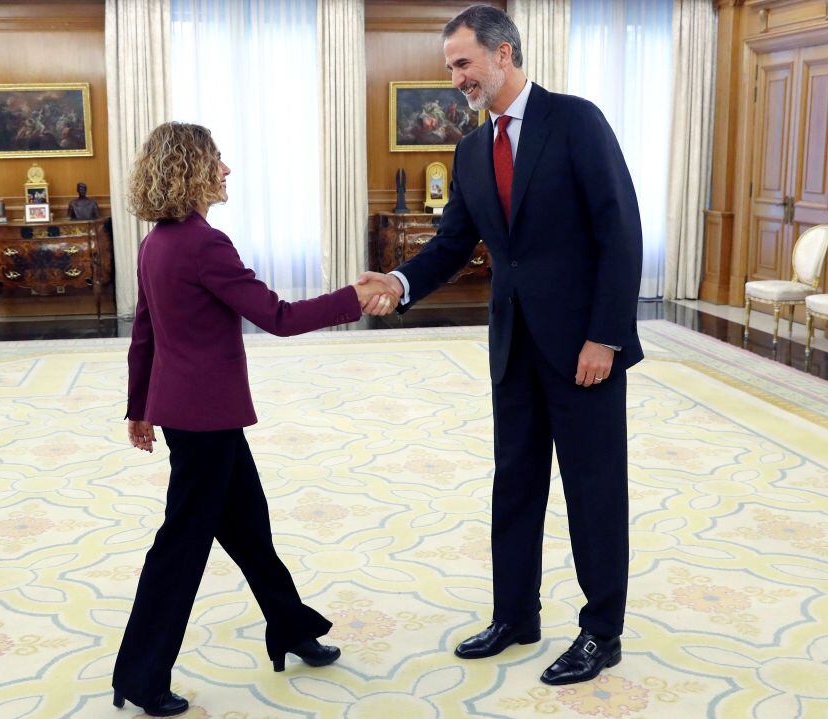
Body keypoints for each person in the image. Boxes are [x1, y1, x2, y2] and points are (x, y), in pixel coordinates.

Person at [360, 4, 643, 686]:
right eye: (450, 65)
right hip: (513, 345)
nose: (456, 77)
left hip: (583, 350)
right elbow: (456, 241)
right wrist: (399, 280)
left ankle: (602, 631)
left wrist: (605, 335)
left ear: (504, 54)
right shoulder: (470, 150)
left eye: (463, 62)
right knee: (514, 485)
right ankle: (516, 613)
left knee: (592, 490)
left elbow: (621, 232)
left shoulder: (575, 122)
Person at [112, 121, 398, 717]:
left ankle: (289, 627)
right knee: (180, 547)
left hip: (190, 416)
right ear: (190, 168)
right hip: (205, 420)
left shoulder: (156, 243)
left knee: (248, 528)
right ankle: (140, 674)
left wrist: (140, 406)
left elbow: (146, 333)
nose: (225, 169)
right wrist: (354, 296)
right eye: (216, 159)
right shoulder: (201, 244)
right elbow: (279, 316)